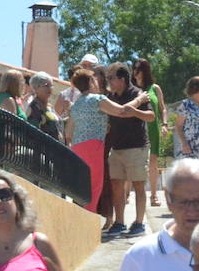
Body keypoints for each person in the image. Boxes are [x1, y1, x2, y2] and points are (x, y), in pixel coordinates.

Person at [103, 63, 156, 238]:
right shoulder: (110, 96)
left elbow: (151, 116)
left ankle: (139, 223)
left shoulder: (138, 94)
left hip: (136, 147)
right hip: (116, 148)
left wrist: (134, 111)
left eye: (111, 78)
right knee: (117, 186)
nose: (108, 81)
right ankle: (119, 222)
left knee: (139, 186)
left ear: (122, 79)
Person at [132, 60, 167, 208]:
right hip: (135, 129)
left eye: (138, 69)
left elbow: (162, 108)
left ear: (145, 71)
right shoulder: (131, 89)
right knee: (134, 163)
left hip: (153, 128)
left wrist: (164, 124)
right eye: (134, 69)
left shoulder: (155, 88)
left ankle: (153, 196)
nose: (135, 72)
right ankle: (127, 194)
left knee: (153, 163)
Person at [55, 54, 98, 119]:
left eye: (91, 66)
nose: (87, 68)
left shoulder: (101, 92)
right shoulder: (65, 95)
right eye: (84, 65)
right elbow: (56, 118)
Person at [25, 72, 61, 142]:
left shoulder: (49, 107)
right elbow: (32, 135)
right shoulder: (34, 108)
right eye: (46, 85)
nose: (50, 88)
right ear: (35, 88)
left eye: (51, 85)